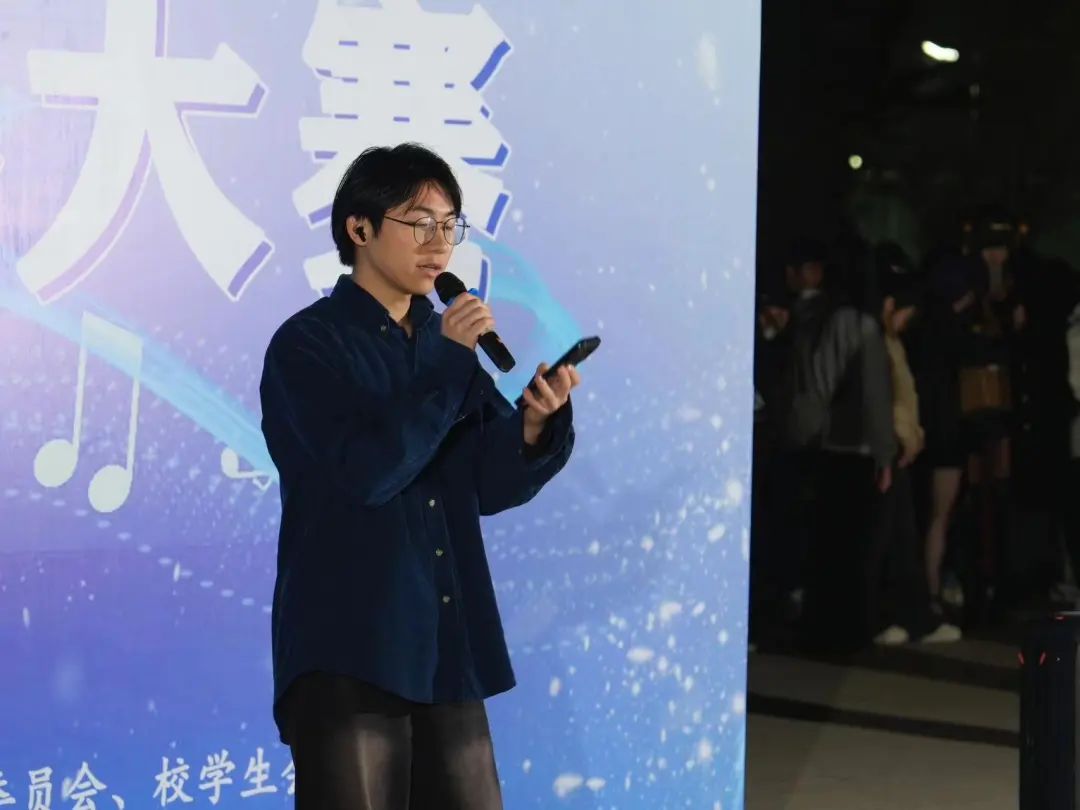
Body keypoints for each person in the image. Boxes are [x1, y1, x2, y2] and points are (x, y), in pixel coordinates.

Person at [259, 143, 580, 809]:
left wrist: (531, 427)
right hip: (349, 648)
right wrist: (447, 363)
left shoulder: (444, 346)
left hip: (445, 646)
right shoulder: (307, 345)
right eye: (420, 223)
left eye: (451, 225)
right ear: (360, 228)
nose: (440, 245)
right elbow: (367, 474)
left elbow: (486, 486)